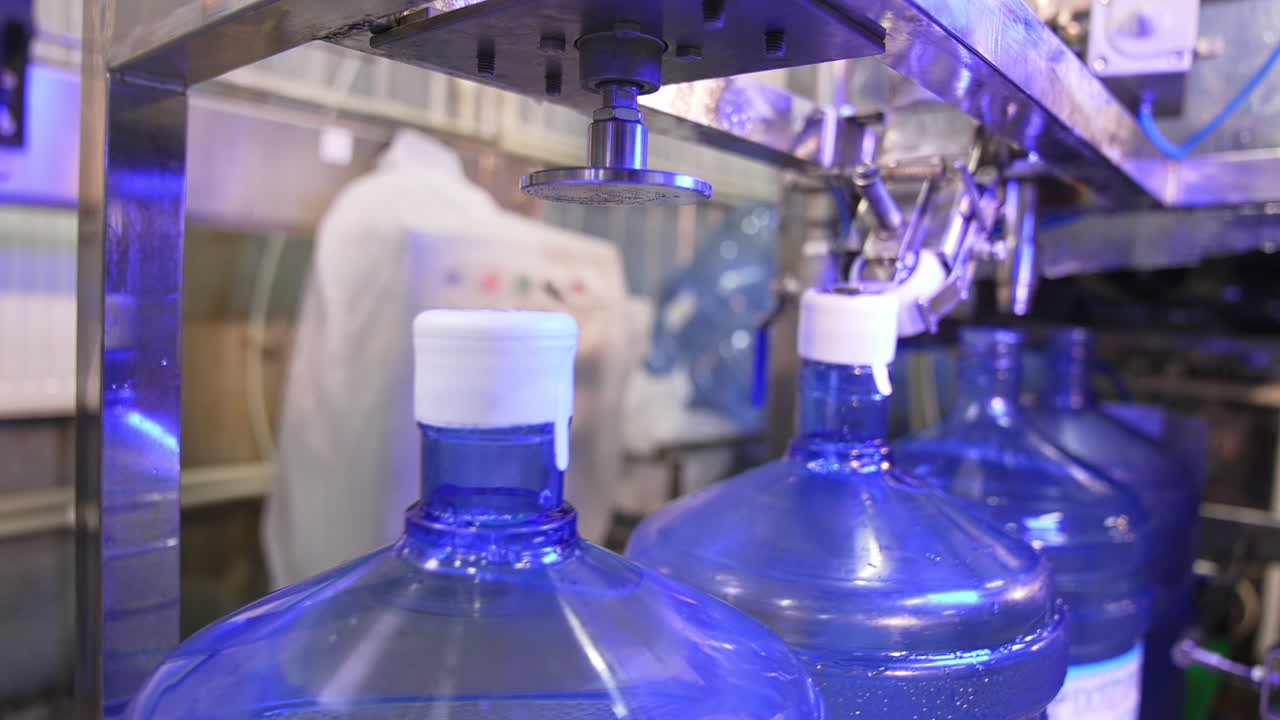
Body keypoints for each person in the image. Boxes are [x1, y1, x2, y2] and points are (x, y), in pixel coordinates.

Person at [263, 128, 631, 587]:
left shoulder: (363, 210)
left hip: (381, 538)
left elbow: (330, 373)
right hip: (509, 540)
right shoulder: (435, 210)